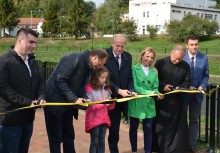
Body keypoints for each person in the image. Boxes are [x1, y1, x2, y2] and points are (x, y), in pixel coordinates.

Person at [44, 49, 108, 153]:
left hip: (68, 105)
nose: (99, 67)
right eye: (99, 64)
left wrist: (84, 99)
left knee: (69, 135)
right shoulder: (75, 58)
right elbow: (60, 80)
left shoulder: (89, 67)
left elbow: (81, 86)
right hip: (54, 103)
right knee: (56, 138)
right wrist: (74, 99)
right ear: (95, 57)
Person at [0, 28, 46, 153]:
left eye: (35, 43)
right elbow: (3, 89)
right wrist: (27, 102)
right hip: (10, 122)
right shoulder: (4, 62)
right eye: (31, 42)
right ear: (20, 41)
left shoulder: (32, 62)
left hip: (28, 120)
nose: (34, 46)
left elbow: (40, 82)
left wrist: (41, 97)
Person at [153, 45, 191, 153]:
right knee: (160, 127)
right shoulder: (160, 63)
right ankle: (159, 148)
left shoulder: (186, 66)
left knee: (177, 128)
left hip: (177, 101)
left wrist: (181, 87)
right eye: (175, 58)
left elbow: (188, 81)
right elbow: (154, 78)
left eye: (180, 59)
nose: (177, 61)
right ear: (171, 53)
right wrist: (163, 86)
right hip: (162, 101)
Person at [105, 34, 136, 153]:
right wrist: (118, 90)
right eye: (117, 45)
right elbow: (106, 78)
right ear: (112, 43)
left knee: (115, 129)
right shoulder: (105, 55)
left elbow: (129, 77)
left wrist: (131, 89)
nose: (120, 49)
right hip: (109, 98)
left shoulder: (128, 57)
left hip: (123, 99)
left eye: (122, 46)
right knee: (106, 129)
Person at [128, 48, 163, 153]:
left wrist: (157, 94)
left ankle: (148, 151)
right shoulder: (134, 69)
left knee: (148, 129)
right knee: (133, 128)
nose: (149, 59)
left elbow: (155, 87)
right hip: (136, 103)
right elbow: (135, 86)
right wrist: (148, 93)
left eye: (152, 57)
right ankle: (134, 149)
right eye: (147, 56)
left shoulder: (154, 71)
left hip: (149, 104)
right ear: (142, 56)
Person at [183, 35, 209, 153]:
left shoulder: (204, 58)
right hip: (183, 94)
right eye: (192, 45)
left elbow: (205, 75)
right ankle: (181, 145)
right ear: (187, 45)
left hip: (197, 96)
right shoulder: (181, 57)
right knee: (181, 120)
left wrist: (202, 86)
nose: (194, 47)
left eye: (196, 44)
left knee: (194, 121)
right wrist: (187, 86)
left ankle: (191, 146)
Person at [85, 66, 115, 153]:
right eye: (102, 77)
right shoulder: (89, 89)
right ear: (96, 77)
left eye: (105, 77)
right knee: (94, 141)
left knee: (102, 141)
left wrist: (111, 103)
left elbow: (109, 107)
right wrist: (103, 103)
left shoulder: (107, 88)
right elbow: (90, 105)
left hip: (104, 119)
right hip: (94, 119)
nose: (104, 80)